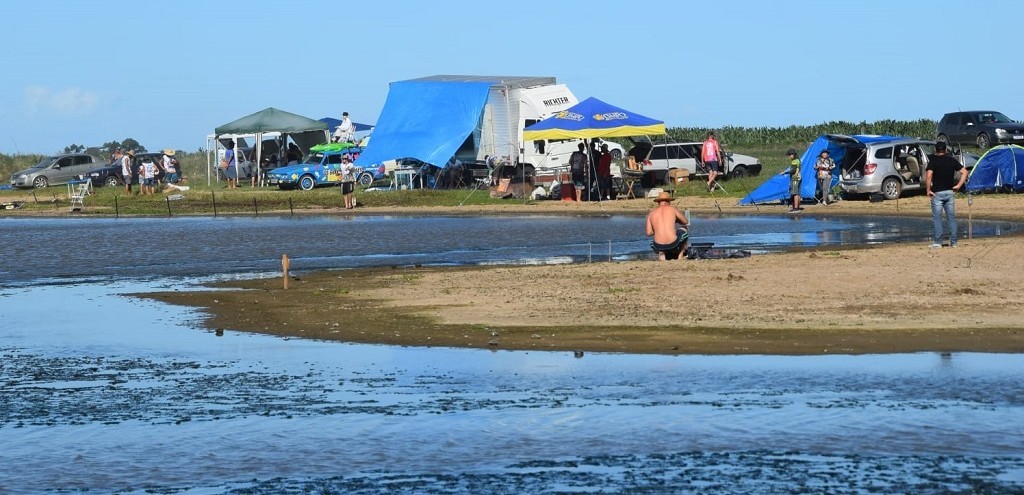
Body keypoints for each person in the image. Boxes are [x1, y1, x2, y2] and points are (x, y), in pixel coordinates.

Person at [925, 140, 967, 248]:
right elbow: (965, 172)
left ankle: (938, 242)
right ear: (946, 150)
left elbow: (929, 175)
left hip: (937, 193)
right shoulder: (951, 160)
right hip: (949, 192)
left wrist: (928, 189)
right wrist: (958, 185)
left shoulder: (933, 161)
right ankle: (954, 242)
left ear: (936, 150)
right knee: (951, 218)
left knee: (937, 218)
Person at [646, 191, 689, 261]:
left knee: (656, 242)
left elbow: (649, 233)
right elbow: (685, 222)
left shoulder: (651, 214)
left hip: (658, 246)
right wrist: (676, 220)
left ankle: (662, 256)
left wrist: (658, 228)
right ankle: (680, 255)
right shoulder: (672, 209)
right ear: (669, 201)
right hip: (673, 244)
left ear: (658, 202)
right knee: (684, 228)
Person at [785, 148, 802, 213]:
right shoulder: (798, 160)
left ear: (793, 155)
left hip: (795, 178)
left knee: (795, 193)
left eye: (789, 155)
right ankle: (797, 207)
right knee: (797, 193)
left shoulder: (795, 161)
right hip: (798, 177)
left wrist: (785, 172)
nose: (788, 157)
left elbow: (793, 171)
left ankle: (796, 208)